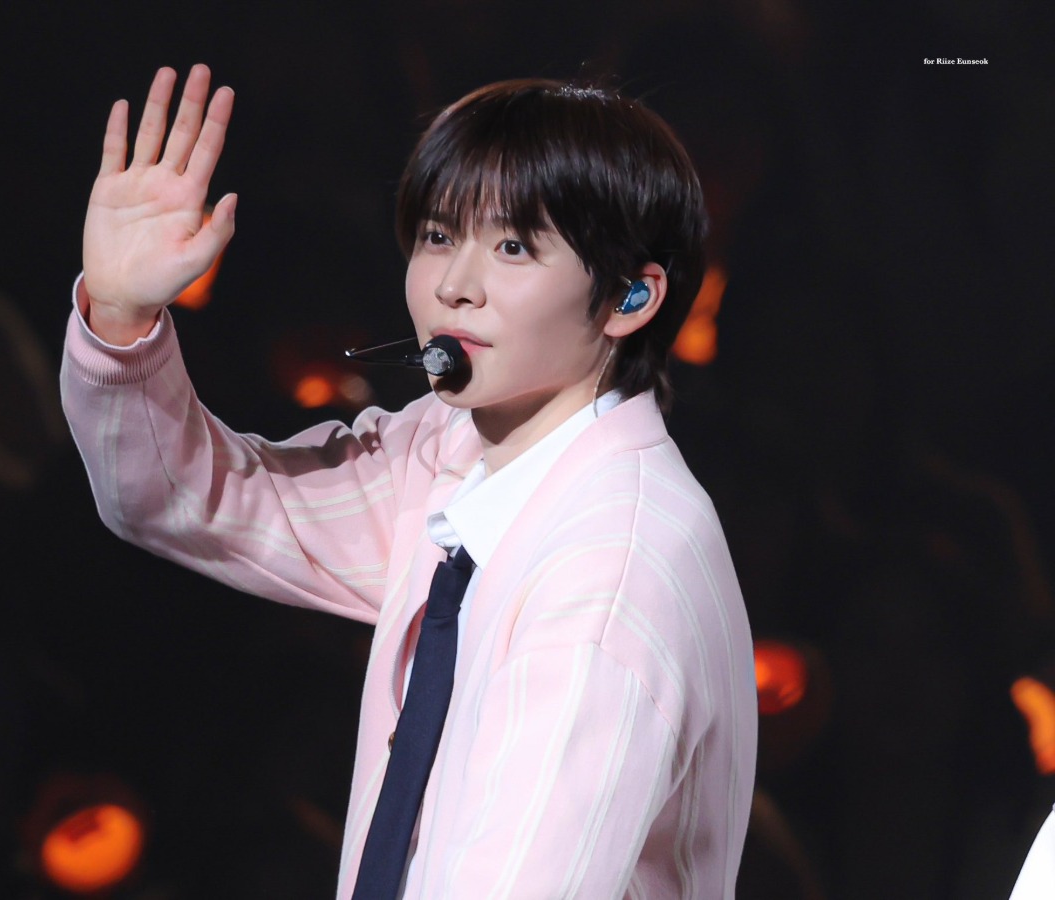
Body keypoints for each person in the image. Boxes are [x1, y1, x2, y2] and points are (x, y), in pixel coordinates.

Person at [61, 63, 756, 898]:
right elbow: (186, 497)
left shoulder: (609, 577)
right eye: (437, 235)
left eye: (513, 247)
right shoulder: (454, 448)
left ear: (631, 297)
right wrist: (121, 317)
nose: (453, 286)